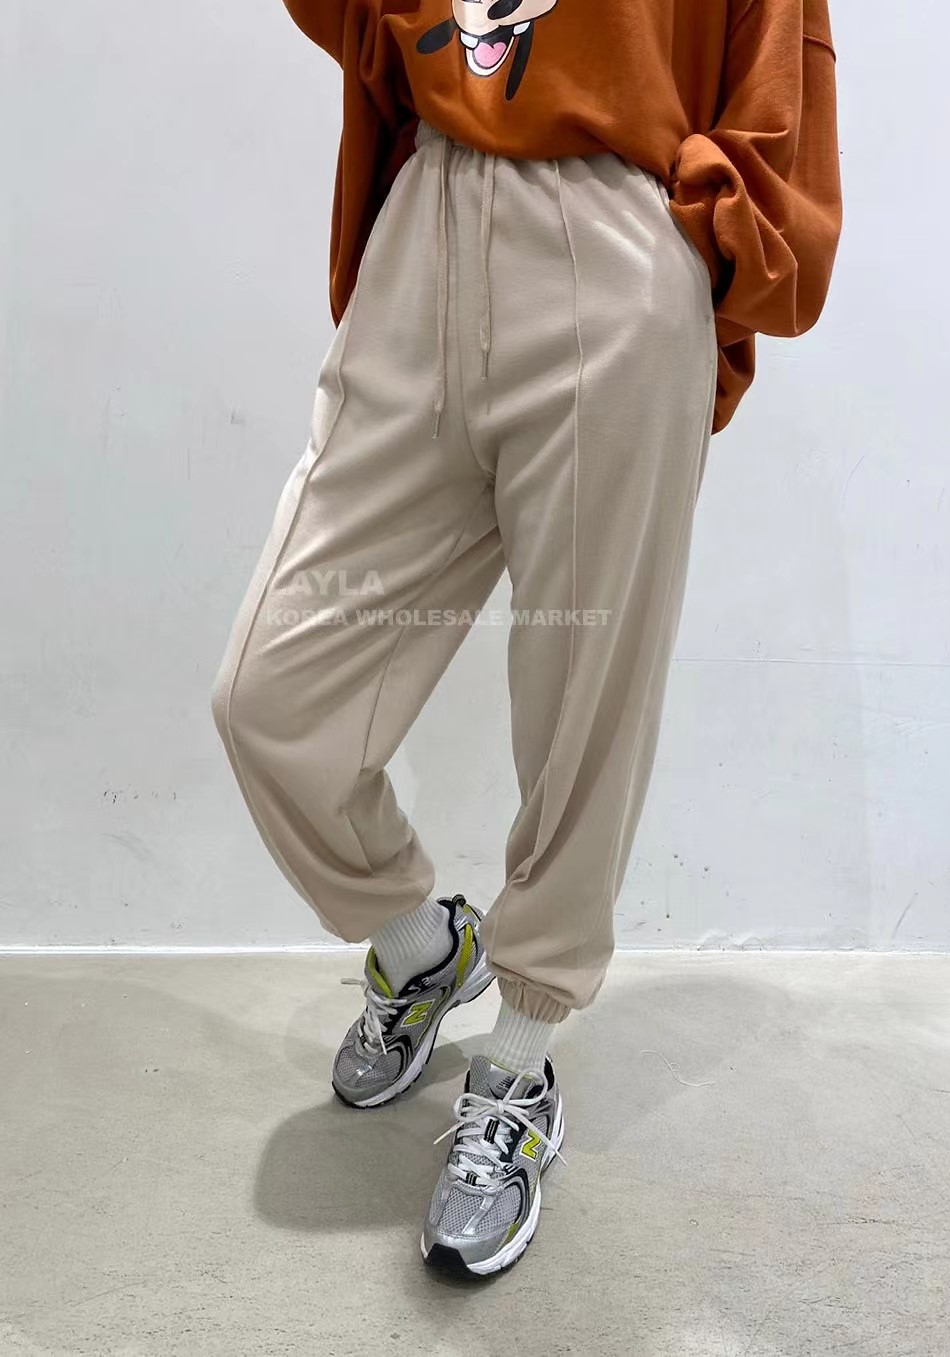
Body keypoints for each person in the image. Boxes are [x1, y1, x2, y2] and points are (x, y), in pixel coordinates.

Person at [211, 0, 842, 1276]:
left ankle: (518, 1065)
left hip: (618, 237)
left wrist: (694, 238)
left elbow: (778, 65)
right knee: (268, 695)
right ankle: (421, 946)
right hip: (430, 223)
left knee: (583, 698)